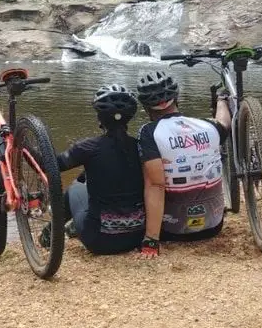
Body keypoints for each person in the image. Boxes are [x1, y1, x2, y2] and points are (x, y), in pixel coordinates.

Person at [39, 84, 145, 255]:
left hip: (99, 240)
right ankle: (72, 227)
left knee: (75, 188)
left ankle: (49, 236)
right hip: (136, 237)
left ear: (99, 118)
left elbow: (50, 166)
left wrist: (25, 147)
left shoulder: (88, 147)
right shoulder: (140, 146)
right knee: (87, 178)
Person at [135, 71, 232, 258]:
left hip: (172, 232)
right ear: (176, 96)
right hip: (213, 226)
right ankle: (222, 97)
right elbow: (225, 124)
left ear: (145, 106)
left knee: (150, 174)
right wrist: (221, 101)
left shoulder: (148, 133)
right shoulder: (207, 126)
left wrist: (151, 241)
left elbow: (156, 185)